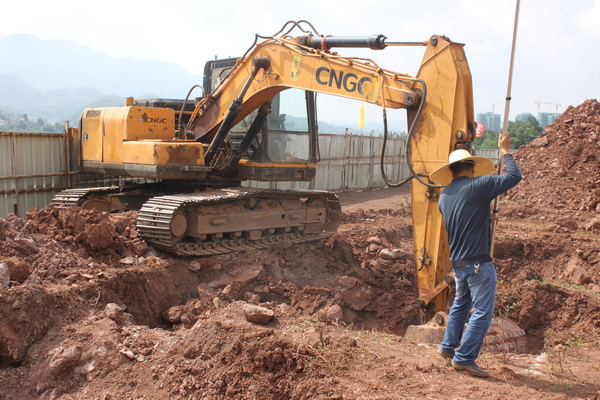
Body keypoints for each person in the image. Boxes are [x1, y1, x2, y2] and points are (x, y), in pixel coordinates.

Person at [428, 133, 522, 378]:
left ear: (451, 171)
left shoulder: (445, 195)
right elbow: (514, 176)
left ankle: (448, 348)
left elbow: (462, 219)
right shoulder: (479, 186)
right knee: (482, 310)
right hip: (479, 262)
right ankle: (465, 358)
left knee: (461, 304)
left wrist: (485, 219)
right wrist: (505, 151)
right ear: (471, 167)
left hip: (459, 262)